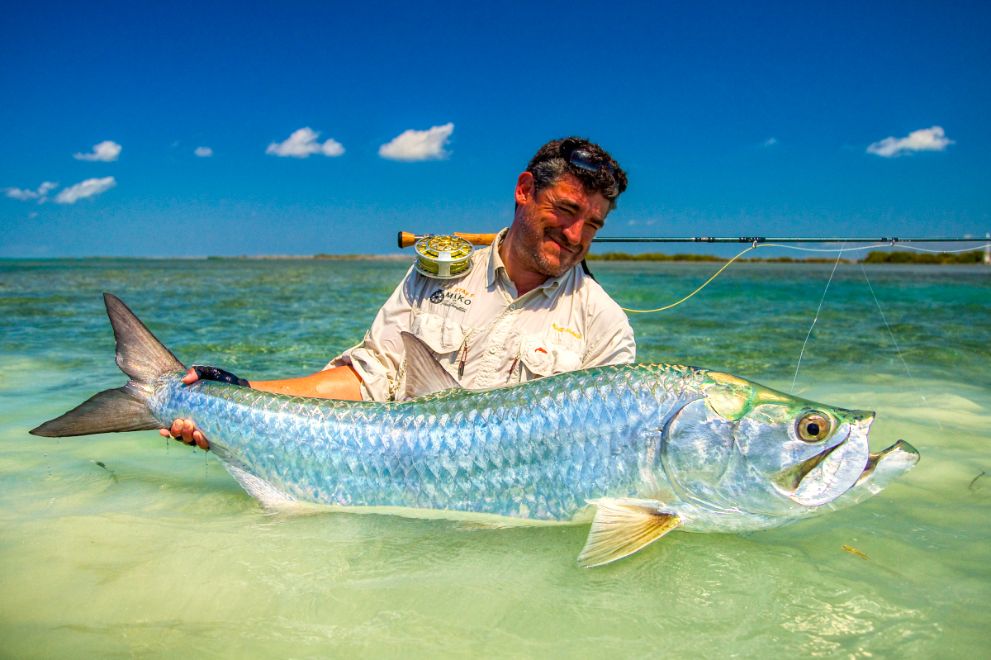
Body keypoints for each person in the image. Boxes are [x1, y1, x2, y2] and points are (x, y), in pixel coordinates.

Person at [164, 137, 635, 450]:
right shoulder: (437, 276)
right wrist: (239, 393)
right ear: (525, 189)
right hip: (395, 484)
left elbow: (603, 452)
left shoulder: (605, 325)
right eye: (566, 210)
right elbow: (372, 380)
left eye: (592, 224)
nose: (576, 235)